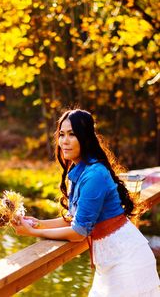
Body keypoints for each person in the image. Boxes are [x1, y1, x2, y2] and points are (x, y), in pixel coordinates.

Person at [13, 109, 160, 297]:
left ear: (85, 138)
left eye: (72, 134)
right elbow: (74, 219)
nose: (64, 141)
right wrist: (38, 222)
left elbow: (79, 232)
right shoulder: (79, 171)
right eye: (62, 134)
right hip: (109, 261)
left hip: (126, 262)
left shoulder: (94, 175)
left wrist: (34, 232)